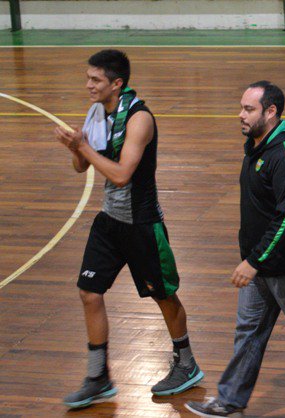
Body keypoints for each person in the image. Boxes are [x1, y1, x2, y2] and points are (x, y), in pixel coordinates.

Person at [185, 81, 285, 418]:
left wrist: (253, 260)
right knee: (248, 331)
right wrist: (254, 259)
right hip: (260, 264)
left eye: (248, 109)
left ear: (270, 112)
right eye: (241, 107)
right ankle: (230, 400)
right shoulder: (257, 148)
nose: (240, 115)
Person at [55, 49, 203, 409]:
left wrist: (83, 147)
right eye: (88, 78)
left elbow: (121, 175)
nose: (89, 85)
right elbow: (82, 168)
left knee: (163, 295)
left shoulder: (140, 119)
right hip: (110, 222)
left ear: (116, 83)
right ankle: (98, 377)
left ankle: (186, 364)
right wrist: (77, 148)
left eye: (96, 80)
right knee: (89, 292)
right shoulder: (96, 113)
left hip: (142, 225)